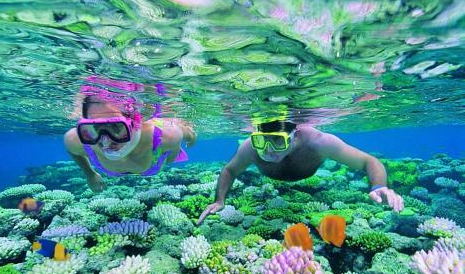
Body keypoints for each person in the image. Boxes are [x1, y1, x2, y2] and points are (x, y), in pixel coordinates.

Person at [197, 119, 403, 224]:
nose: (268, 150)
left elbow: (369, 161)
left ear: (294, 136)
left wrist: (379, 186)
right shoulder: (250, 148)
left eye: (278, 140)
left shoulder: (318, 142)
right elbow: (230, 170)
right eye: (261, 140)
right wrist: (219, 200)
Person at [64, 93, 196, 193]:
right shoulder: (75, 139)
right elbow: (72, 151)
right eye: (93, 128)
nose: (106, 141)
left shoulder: (166, 136)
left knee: (172, 145)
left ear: (134, 123)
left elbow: (188, 134)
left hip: (159, 153)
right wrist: (90, 174)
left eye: (115, 126)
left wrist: (191, 137)